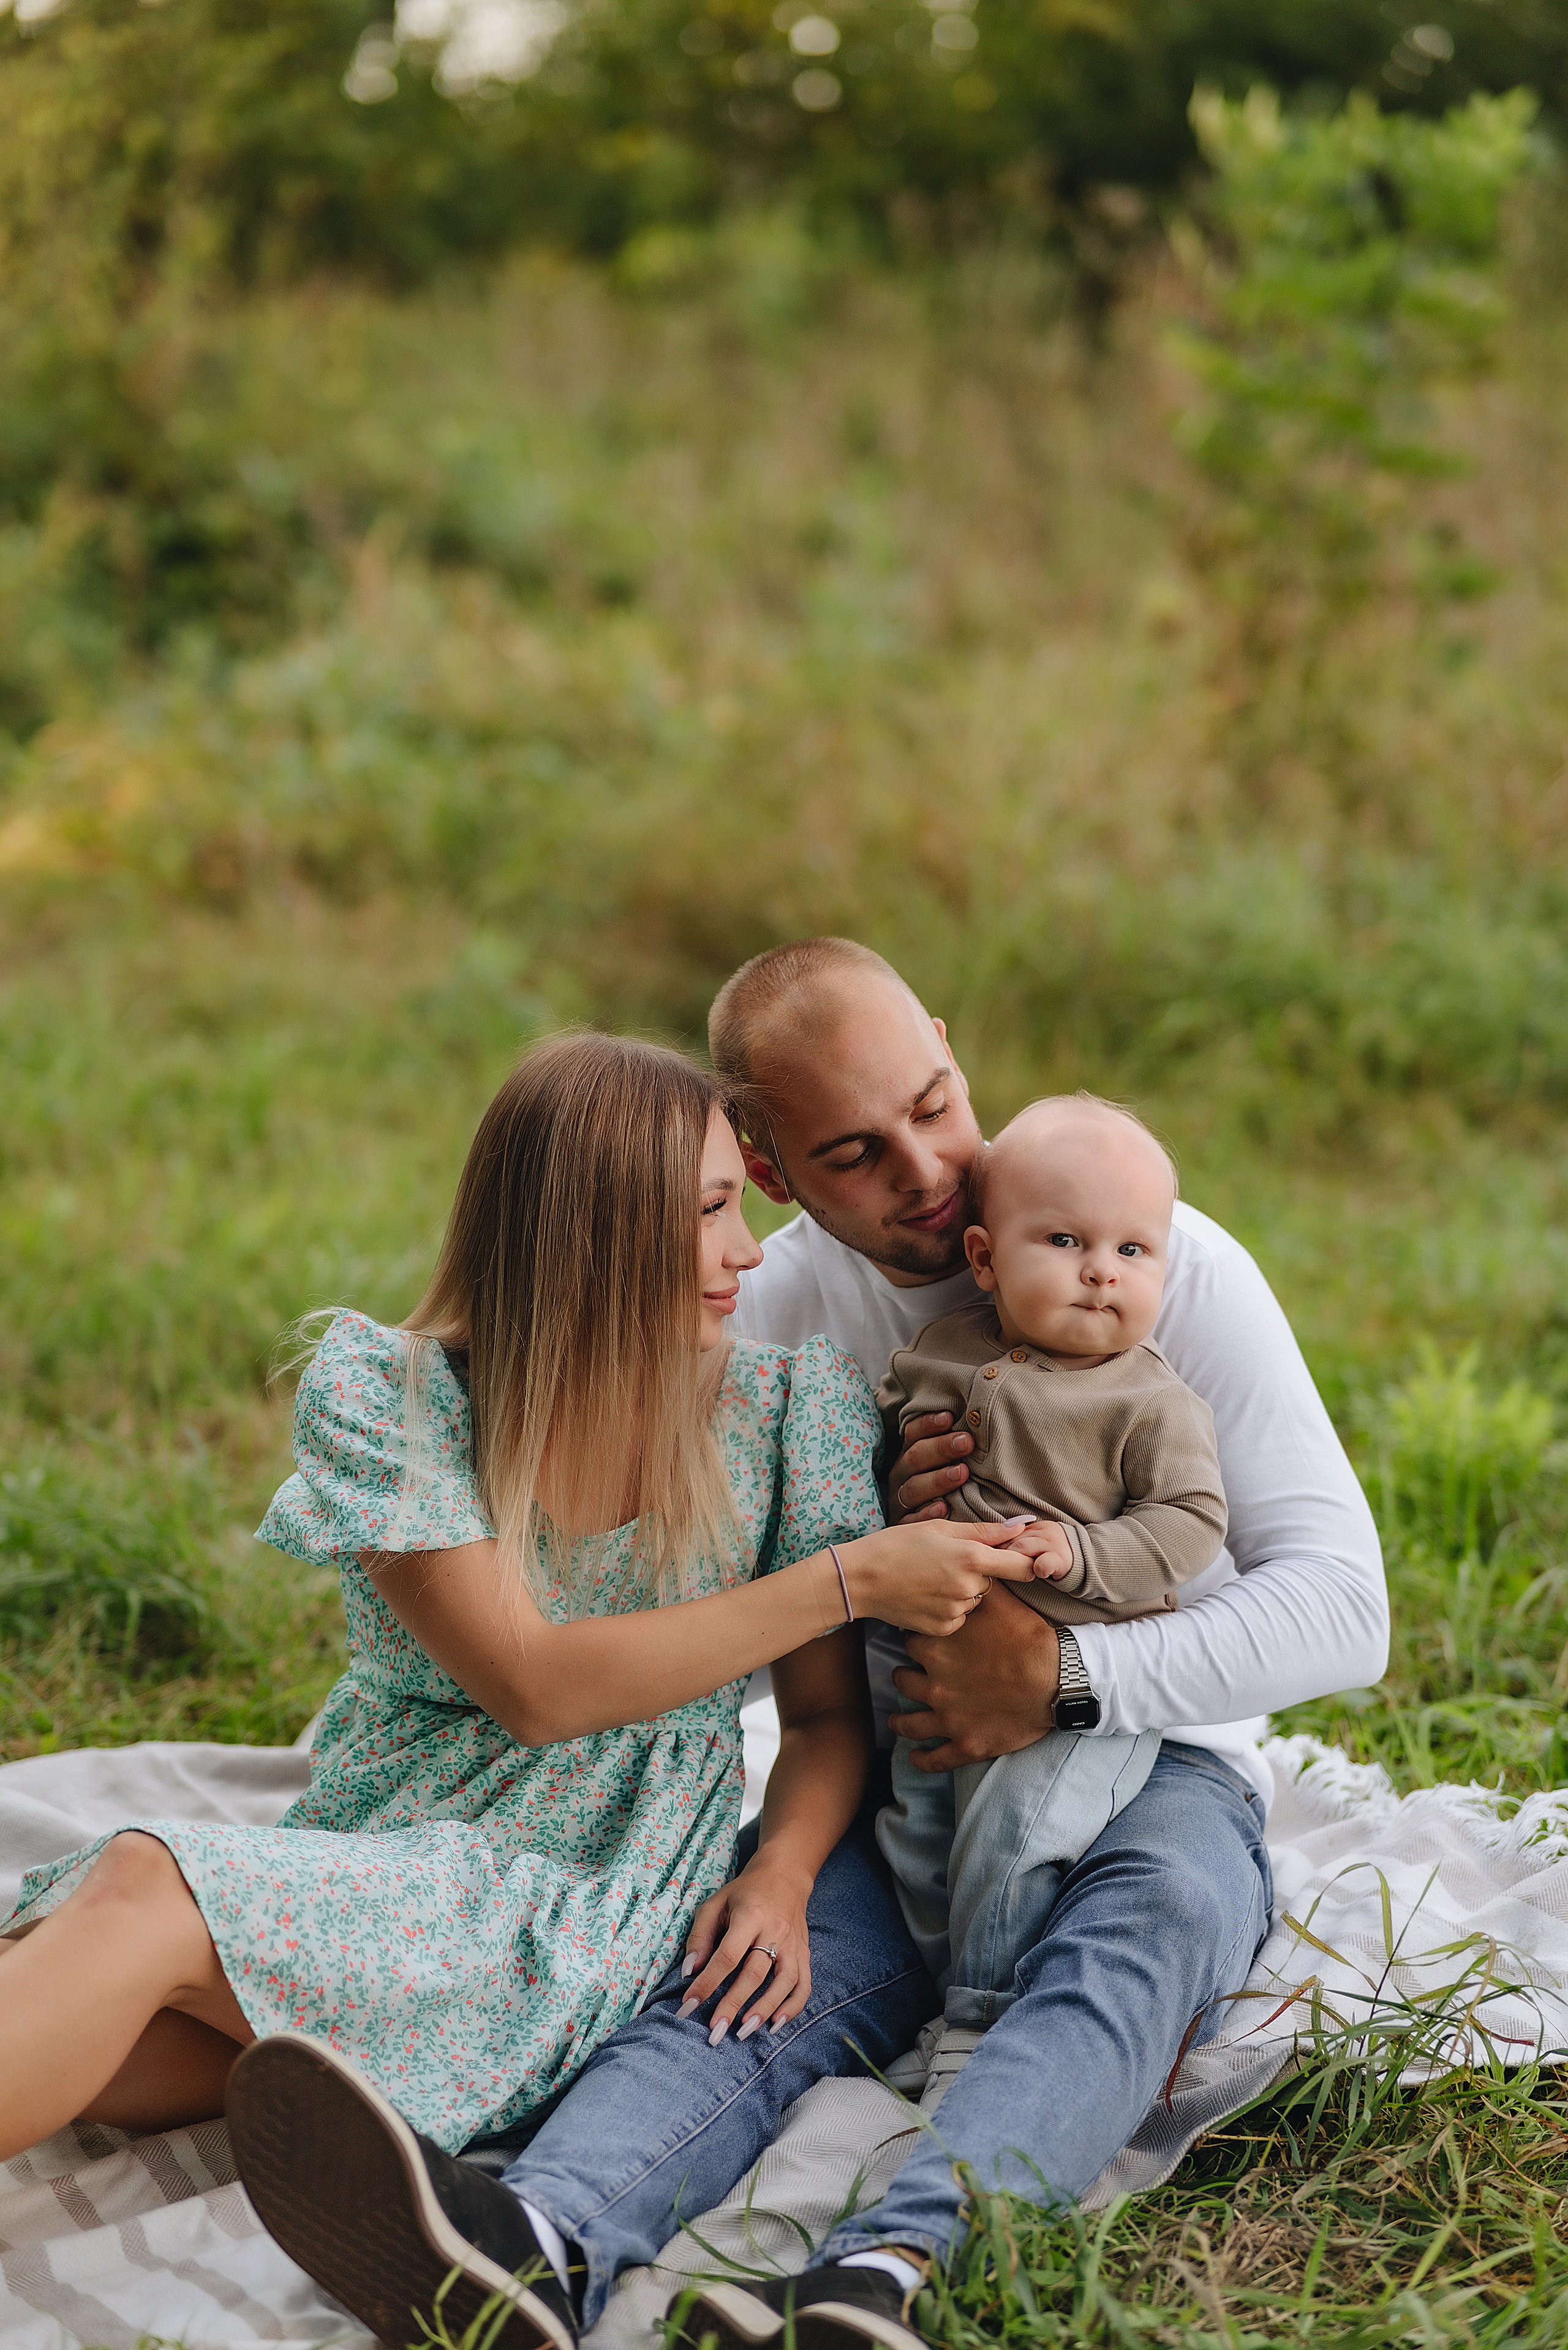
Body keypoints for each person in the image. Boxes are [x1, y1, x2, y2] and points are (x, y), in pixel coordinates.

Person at [227, 939, 1386, 2350]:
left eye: (936, 1099)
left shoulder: (1138, 1244)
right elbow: (560, 1487)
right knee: (744, 1963)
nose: (930, 1167)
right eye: (856, 1149)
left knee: (1145, 1936)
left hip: (1153, 1759)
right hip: (903, 1768)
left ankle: (876, 2279)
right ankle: (534, 2239)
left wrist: (1063, 1675)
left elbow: (1341, 1603)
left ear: (953, 1047)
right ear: (771, 1170)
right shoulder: (751, 1310)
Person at [0, 1030, 1049, 2350]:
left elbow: (829, 1720)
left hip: (566, 1895)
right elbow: (534, 1686)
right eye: (712, 1211)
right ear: (592, 1234)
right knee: (95, 1997)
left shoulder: (792, 1414)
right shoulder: (391, 1395)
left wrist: (779, 1873)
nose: (747, 1251)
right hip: (377, 1848)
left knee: (141, 1883)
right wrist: (850, 1574)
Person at [874, 1093, 1227, 2112]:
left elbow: (1190, 1524)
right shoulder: (941, 1350)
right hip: (937, 1668)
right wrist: (903, 1480)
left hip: (1081, 1681)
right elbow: (888, 1464)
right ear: (984, 1258)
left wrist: (1078, 1549)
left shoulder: (1149, 1401)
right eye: (1066, 1240)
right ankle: (947, 1994)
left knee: (1017, 1837)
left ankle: (983, 2025)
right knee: (918, 1833)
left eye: (1133, 1249)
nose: (1101, 1270)